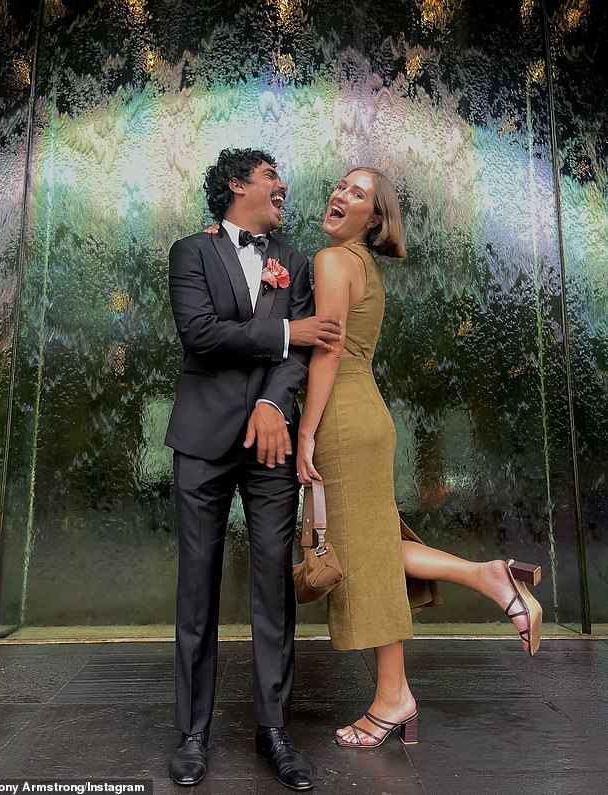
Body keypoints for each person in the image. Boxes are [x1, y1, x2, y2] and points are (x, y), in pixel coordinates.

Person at [295, 166, 543, 748]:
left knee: (365, 556)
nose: (340, 195)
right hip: (364, 412)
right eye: (340, 185)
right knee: (376, 546)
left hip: (341, 417)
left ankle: (393, 697)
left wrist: (306, 432)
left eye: (358, 194)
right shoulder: (364, 267)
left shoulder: (333, 262)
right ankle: (488, 577)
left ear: (374, 220)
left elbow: (327, 351)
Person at [165, 147, 341, 789]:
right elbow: (201, 334)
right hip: (203, 439)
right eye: (271, 177)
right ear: (238, 186)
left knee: (273, 584)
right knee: (197, 587)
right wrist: (289, 333)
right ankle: (191, 732)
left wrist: (272, 401)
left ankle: (274, 730)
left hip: (272, 446)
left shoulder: (292, 261)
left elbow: (310, 351)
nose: (283, 185)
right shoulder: (190, 252)